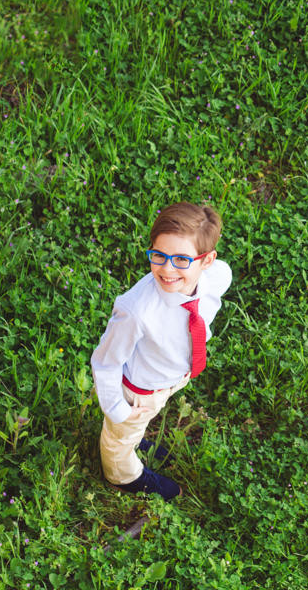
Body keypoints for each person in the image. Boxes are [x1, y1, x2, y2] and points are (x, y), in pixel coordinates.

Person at [91, 202, 232, 500]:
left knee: (147, 417)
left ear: (206, 261)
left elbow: (222, 275)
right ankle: (123, 474)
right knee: (120, 437)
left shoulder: (216, 278)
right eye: (159, 255)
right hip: (138, 390)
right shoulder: (137, 311)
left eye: (181, 259)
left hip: (171, 376)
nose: (167, 269)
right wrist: (118, 411)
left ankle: (137, 436)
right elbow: (105, 362)